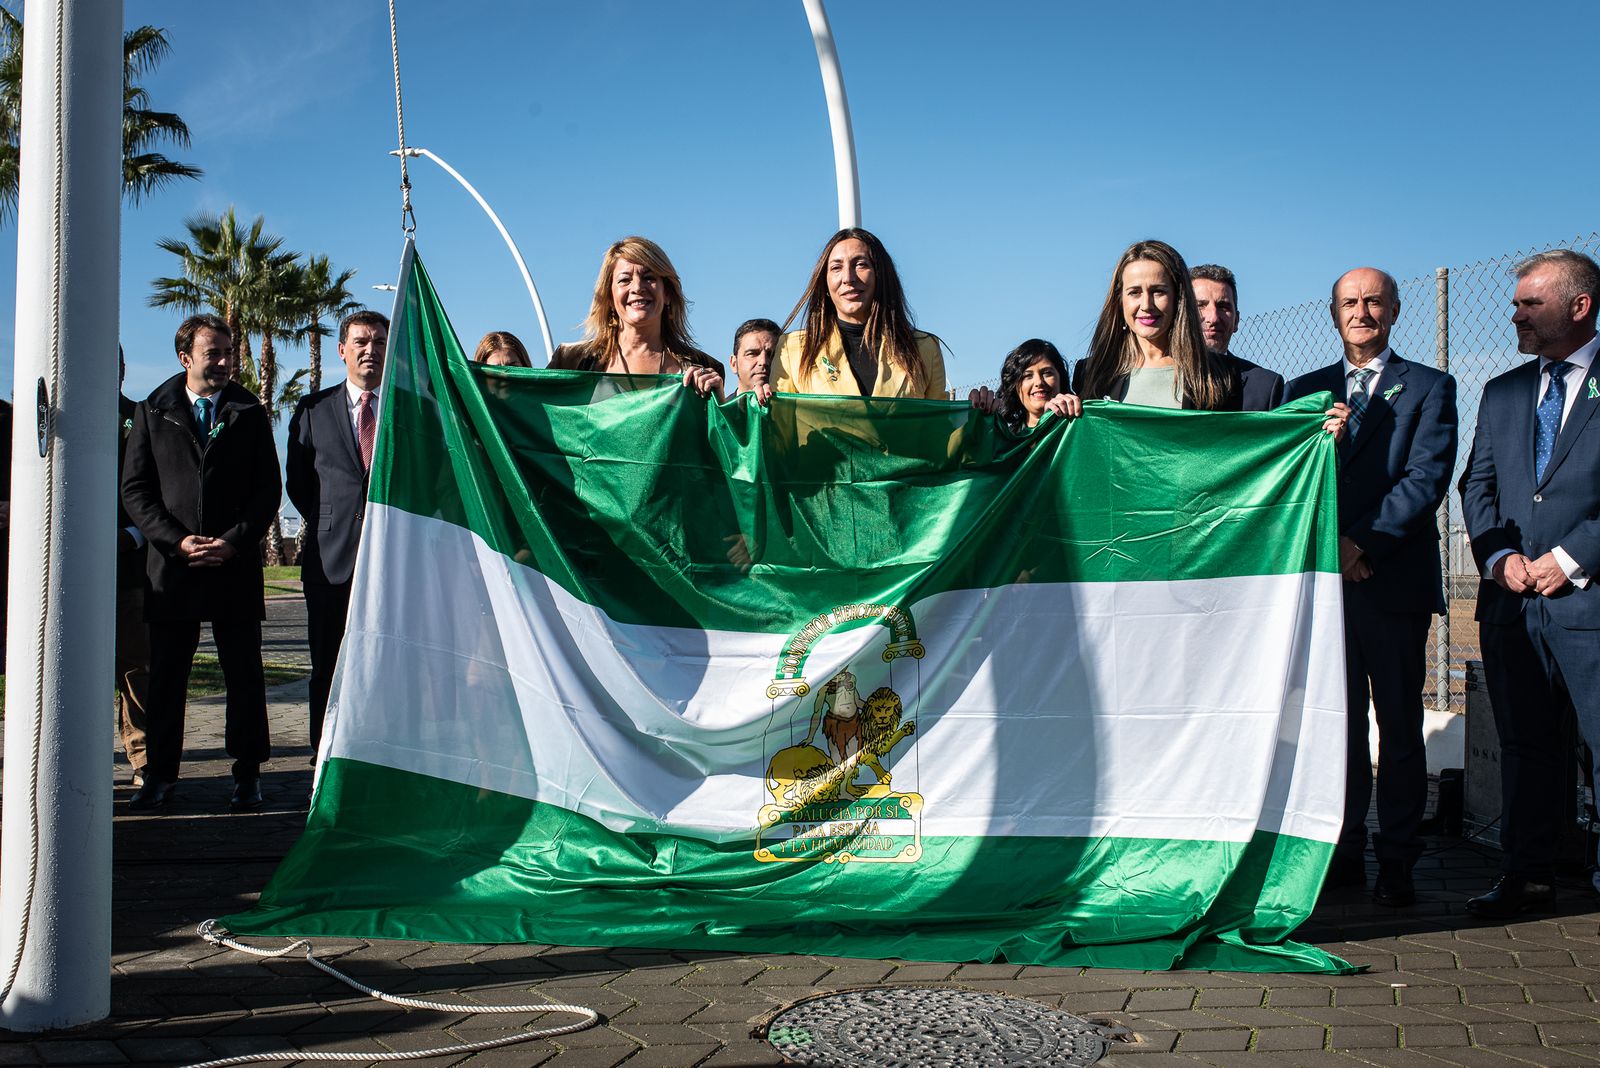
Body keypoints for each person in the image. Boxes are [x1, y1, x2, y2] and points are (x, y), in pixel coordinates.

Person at [1285, 267, 1457, 907]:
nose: (1361, 312)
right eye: (1349, 302)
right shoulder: (1305, 391)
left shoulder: (1431, 387)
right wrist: (1332, 549)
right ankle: (1343, 851)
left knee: (1400, 727)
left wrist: (1361, 544)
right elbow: (1290, 479)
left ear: (1395, 310)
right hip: (1327, 585)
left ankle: (1399, 860)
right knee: (1339, 727)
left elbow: (1425, 478)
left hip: (1392, 583)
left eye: (1373, 301)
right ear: (1334, 313)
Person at [1459, 249, 1600, 918]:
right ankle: (1528, 876)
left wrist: (1571, 558)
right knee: (1525, 746)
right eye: (1515, 303)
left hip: (1588, 601)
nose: (1515, 315)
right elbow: (1477, 484)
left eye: (1530, 304)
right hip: (1512, 605)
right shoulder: (1504, 391)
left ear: (1580, 306)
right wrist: (1497, 557)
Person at [121, 313, 282, 812]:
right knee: (167, 678)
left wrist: (234, 542)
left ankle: (248, 773)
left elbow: (267, 490)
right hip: (172, 572)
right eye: (213, 353)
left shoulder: (249, 411)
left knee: (244, 675)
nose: (224, 362)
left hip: (234, 567)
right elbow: (136, 490)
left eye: (228, 352)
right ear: (184, 357)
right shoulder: (152, 411)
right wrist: (176, 542)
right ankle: (159, 776)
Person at [287, 310, 389, 762]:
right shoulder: (313, 410)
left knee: (386, 660)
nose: (371, 350)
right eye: (362, 342)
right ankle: (324, 750)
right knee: (326, 661)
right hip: (330, 561)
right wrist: (333, 519)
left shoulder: (406, 408)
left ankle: (379, 750)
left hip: (392, 559)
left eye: (380, 342)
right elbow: (298, 482)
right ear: (342, 350)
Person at [770, 228, 949, 400]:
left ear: (880, 275)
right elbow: (778, 419)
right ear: (825, 282)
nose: (848, 278)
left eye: (861, 264)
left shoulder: (924, 348)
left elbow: (941, 419)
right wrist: (757, 402)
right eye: (836, 267)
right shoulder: (792, 348)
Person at [1071, 240, 1240, 410]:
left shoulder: (1222, 375)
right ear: (1120, 300)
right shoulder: (1090, 373)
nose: (1146, 305)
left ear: (1178, 298)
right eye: (1134, 292)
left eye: (1158, 291)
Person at [549, 236, 724, 398]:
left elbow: (719, 423)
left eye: (649, 277)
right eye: (625, 280)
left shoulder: (704, 367)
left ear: (667, 293)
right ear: (609, 297)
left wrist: (719, 402)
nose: (638, 287)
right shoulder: (569, 361)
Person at [117, 347, 152, 788]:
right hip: (63, 573)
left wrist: (134, 534)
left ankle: (143, 758)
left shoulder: (141, 418)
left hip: (128, 563)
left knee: (136, 668)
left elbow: (155, 486)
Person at [1189, 263, 1285, 410]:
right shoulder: (1158, 377)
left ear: (1236, 321)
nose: (1213, 318)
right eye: (1200, 306)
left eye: (1223, 307)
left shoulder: (1265, 387)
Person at [968, 339, 1083, 431]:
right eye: (1027, 376)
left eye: (1047, 373)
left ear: (1061, 378)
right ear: (1015, 386)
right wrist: (972, 418)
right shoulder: (1004, 442)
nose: (1039, 382)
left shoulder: (1077, 428)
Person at [729, 318, 780, 396]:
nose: (763, 361)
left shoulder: (796, 403)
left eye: (772, 354)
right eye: (752, 354)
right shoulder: (719, 404)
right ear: (734, 364)